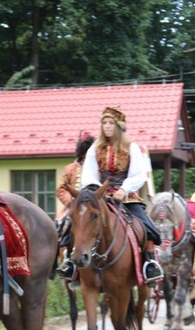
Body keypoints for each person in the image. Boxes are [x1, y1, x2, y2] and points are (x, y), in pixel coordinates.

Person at [79, 106, 163, 286]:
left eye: (110, 123)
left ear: (118, 126)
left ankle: (150, 264)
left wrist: (124, 189)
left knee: (147, 227)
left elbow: (139, 174)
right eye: (104, 123)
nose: (107, 127)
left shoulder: (131, 148)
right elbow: (88, 174)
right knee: (78, 223)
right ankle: (71, 263)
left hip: (127, 197)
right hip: (100, 197)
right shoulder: (95, 148)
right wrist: (98, 190)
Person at [55, 132, 96, 281]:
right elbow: (61, 189)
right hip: (73, 207)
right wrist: (70, 203)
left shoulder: (97, 168)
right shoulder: (69, 169)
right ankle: (65, 261)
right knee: (63, 226)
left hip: (92, 207)